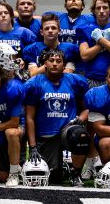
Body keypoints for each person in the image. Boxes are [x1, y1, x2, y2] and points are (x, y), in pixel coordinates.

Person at [24, 47, 91, 185]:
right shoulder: (34, 84)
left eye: (58, 61)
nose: (55, 63)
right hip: (45, 135)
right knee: (53, 178)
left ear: (64, 65)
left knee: (81, 135)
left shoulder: (74, 81)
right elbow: (29, 117)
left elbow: (87, 109)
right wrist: (32, 147)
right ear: (45, 64)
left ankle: (75, 174)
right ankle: (61, 167)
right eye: (51, 60)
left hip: (67, 130)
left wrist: (80, 119)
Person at [22, 12, 78, 77]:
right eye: (47, 28)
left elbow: (67, 75)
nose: (50, 30)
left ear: (59, 31)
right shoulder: (33, 49)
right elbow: (33, 74)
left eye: (53, 28)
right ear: (41, 32)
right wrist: (49, 64)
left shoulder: (70, 49)